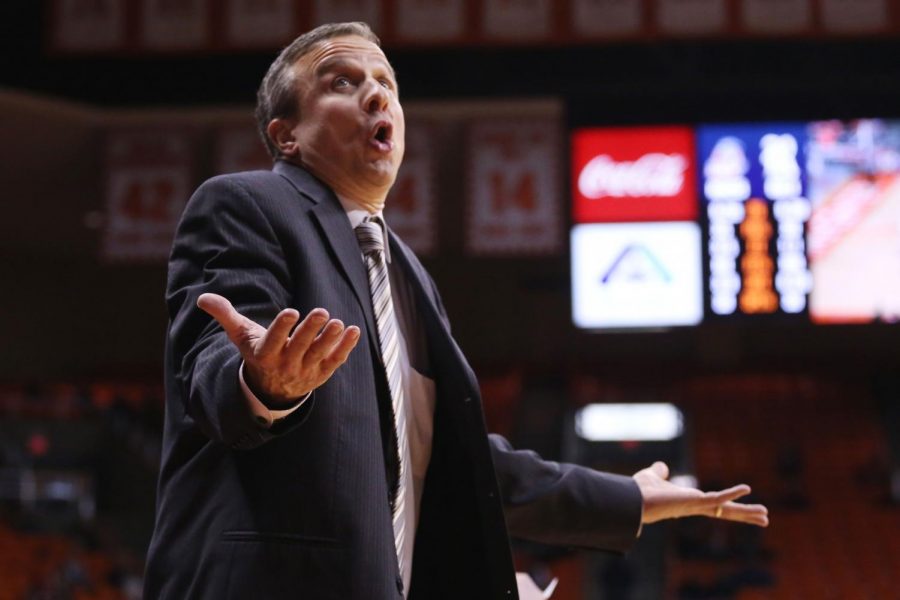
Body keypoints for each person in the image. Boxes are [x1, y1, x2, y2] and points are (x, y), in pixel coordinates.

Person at [143, 22, 768, 600]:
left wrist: (624, 499)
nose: (376, 96)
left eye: (387, 83)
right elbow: (212, 362)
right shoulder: (246, 203)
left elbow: (455, 457)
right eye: (343, 82)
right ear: (286, 134)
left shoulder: (408, 275)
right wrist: (262, 385)